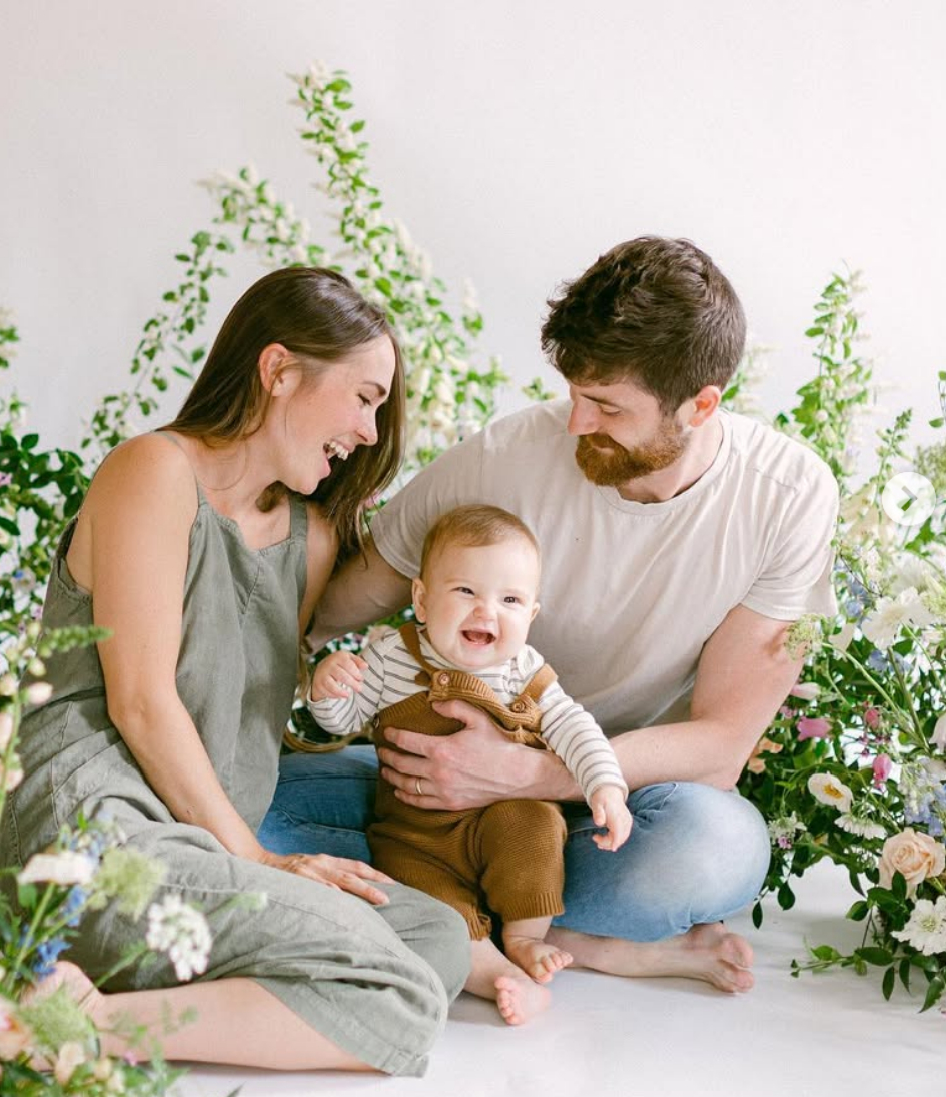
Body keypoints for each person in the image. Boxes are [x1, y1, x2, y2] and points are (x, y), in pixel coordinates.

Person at [259, 236, 839, 996]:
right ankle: (552, 934)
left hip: (610, 802)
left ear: (700, 405)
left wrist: (526, 774)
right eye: (573, 393)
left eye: (607, 406)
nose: (575, 424)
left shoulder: (785, 495)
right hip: (427, 789)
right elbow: (338, 602)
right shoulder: (504, 457)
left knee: (716, 850)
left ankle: (466, 924)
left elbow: (721, 744)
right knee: (238, 818)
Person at [0, 266, 471, 1076]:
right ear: (278, 368)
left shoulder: (310, 540)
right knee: (403, 995)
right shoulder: (152, 471)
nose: (369, 430)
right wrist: (259, 860)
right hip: (97, 838)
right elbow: (142, 702)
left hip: (203, 848)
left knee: (436, 939)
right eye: (363, 397)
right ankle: (82, 1021)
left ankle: (129, 994)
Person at [308, 504, 632, 1025]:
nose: (486, 611)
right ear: (421, 599)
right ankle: (493, 972)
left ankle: (525, 938)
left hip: (501, 820)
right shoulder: (392, 656)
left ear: (531, 616)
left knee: (535, 828)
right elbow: (341, 719)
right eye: (465, 591)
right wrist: (328, 688)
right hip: (414, 837)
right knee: (421, 897)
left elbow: (574, 727)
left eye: (510, 600)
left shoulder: (523, 670)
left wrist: (606, 787)